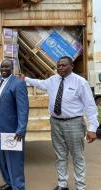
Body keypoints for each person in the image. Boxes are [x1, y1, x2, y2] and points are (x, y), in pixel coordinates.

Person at [20, 56, 99, 190]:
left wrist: (92, 128)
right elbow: (40, 83)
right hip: (56, 123)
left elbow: (90, 106)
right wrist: (25, 79)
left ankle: (80, 186)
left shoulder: (80, 82)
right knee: (60, 156)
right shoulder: (52, 80)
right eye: (59, 65)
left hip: (74, 123)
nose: (60, 68)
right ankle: (62, 184)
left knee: (77, 156)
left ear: (71, 66)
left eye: (63, 65)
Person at [0, 59, 29, 190]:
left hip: (12, 129)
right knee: (2, 158)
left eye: (7, 67)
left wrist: (21, 129)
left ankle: (18, 187)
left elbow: (23, 109)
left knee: (14, 160)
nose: (4, 69)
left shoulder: (18, 84)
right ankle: (9, 183)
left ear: (12, 68)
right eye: (2, 66)